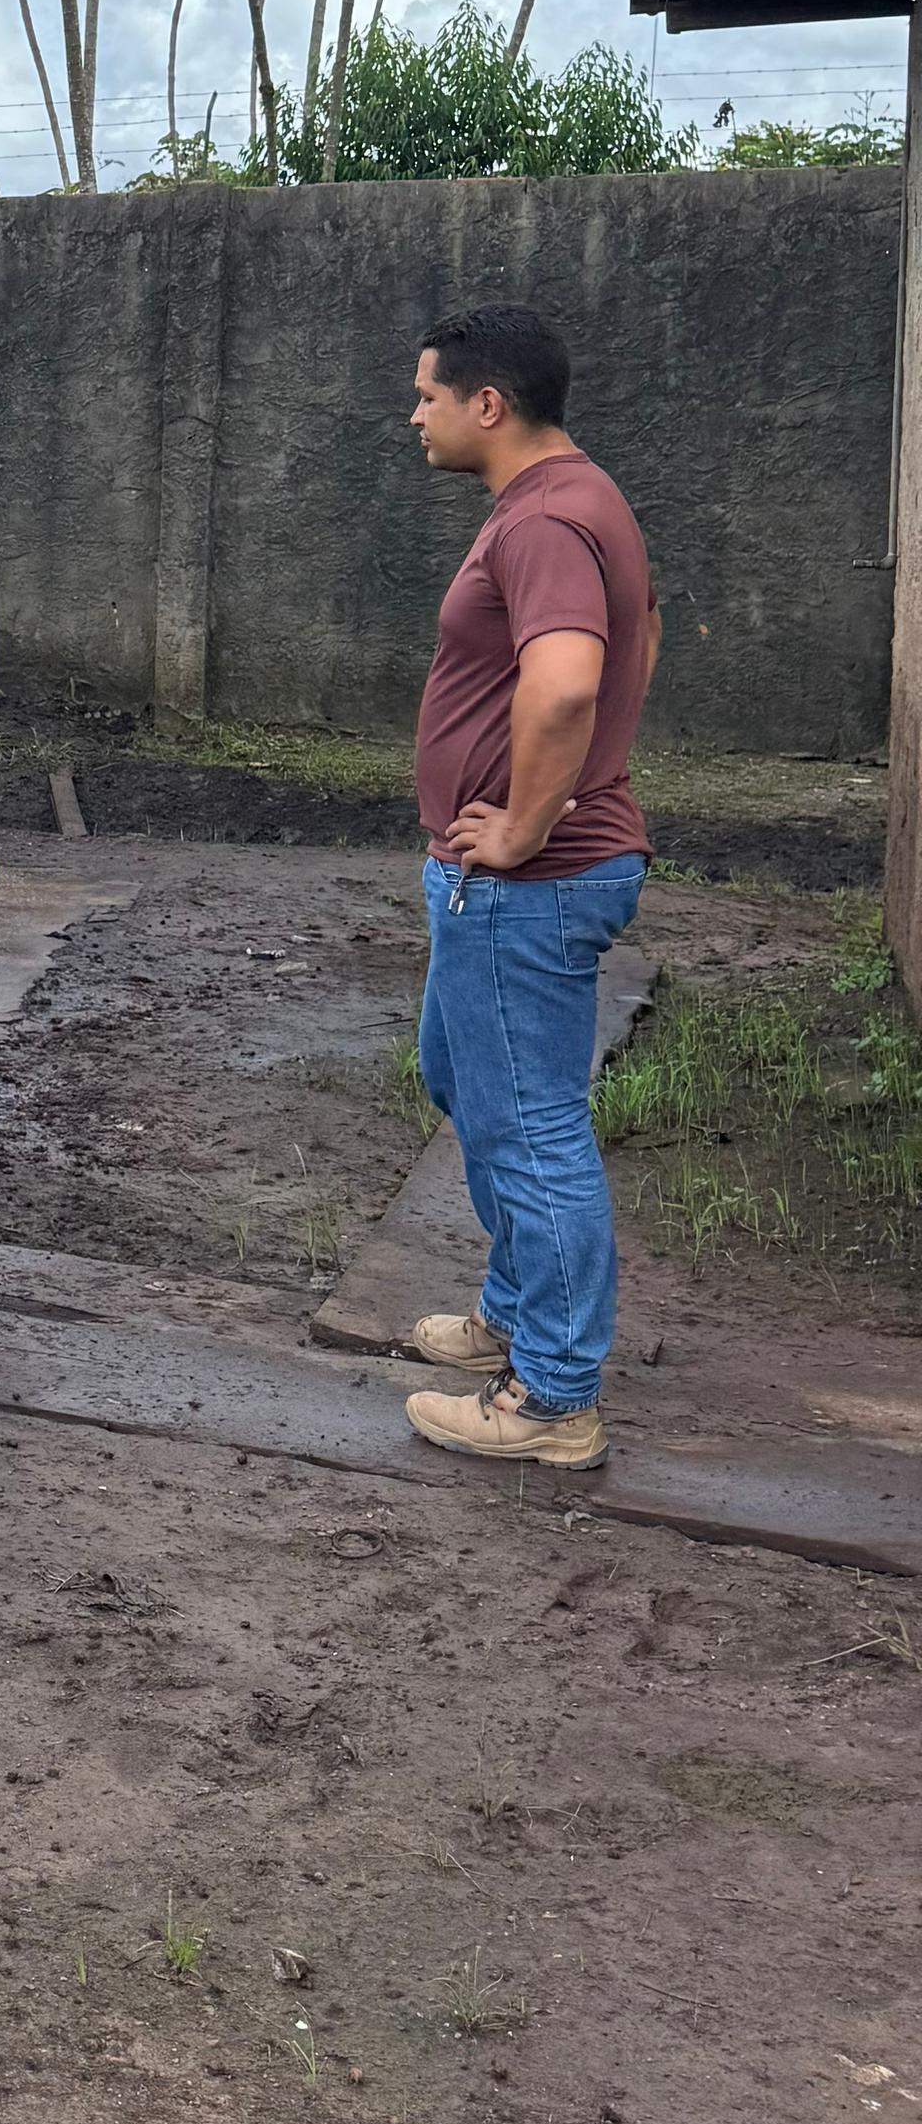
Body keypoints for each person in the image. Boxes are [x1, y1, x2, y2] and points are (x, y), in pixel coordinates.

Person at [397, 304, 659, 1475]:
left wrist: (527, 820)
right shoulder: (571, 499)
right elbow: (646, 631)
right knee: (464, 1078)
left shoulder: (546, 517)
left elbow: (564, 685)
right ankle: (517, 1310)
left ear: (487, 403)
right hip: (512, 877)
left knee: (533, 1125)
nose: (416, 414)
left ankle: (552, 1394)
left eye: (428, 395)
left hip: (531, 881)